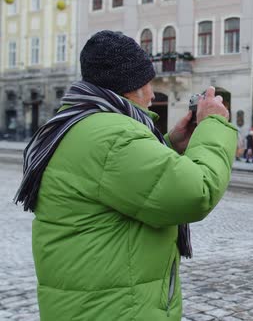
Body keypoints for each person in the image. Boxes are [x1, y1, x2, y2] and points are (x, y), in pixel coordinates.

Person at [13, 30, 237, 320]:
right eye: (148, 83)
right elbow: (196, 192)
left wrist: (169, 144)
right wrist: (214, 124)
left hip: (91, 304)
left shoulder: (80, 123)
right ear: (129, 86)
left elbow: (119, 178)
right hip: (116, 308)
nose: (153, 94)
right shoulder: (114, 136)